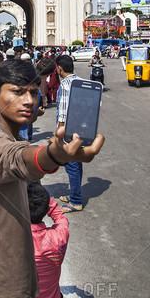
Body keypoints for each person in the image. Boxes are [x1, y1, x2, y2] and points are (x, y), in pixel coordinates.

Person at [0, 59, 104, 298]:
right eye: (17, 92)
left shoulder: (4, 135)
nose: (28, 100)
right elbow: (21, 158)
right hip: (3, 292)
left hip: (6, 288)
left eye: (33, 91)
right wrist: (56, 154)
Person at [27, 182, 69, 298]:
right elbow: (61, 218)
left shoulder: (11, 240)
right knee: (58, 297)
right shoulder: (59, 237)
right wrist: (46, 201)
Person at [55, 54, 83, 212]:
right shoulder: (80, 82)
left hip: (68, 130)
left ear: (60, 68)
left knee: (71, 164)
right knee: (76, 162)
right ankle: (74, 193)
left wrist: (58, 133)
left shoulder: (65, 85)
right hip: (80, 128)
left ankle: (76, 201)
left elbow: (63, 112)